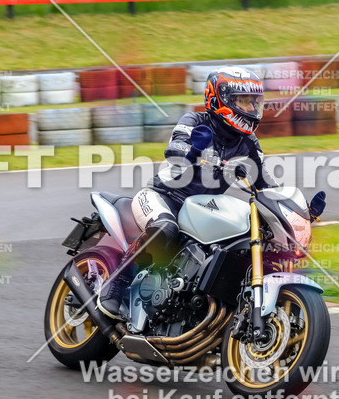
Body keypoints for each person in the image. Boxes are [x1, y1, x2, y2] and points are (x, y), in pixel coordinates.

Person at [98, 66, 289, 320]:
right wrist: (193, 152)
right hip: (164, 198)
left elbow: (266, 183)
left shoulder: (248, 142)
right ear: (220, 99)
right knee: (166, 229)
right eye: (243, 101)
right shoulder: (195, 121)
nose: (251, 108)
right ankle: (116, 283)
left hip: (202, 209)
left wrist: (294, 207)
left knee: (231, 244)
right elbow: (174, 149)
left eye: (254, 101)